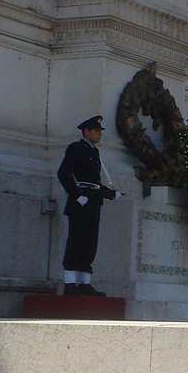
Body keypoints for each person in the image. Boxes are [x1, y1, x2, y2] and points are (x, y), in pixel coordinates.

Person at [57, 115, 115, 296]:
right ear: (86, 131)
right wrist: (76, 196)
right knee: (76, 240)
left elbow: (94, 182)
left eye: (100, 131)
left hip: (94, 202)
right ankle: (70, 282)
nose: (99, 134)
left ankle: (84, 282)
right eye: (96, 130)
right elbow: (63, 173)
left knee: (90, 242)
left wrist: (111, 193)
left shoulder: (93, 152)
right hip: (80, 203)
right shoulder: (76, 148)